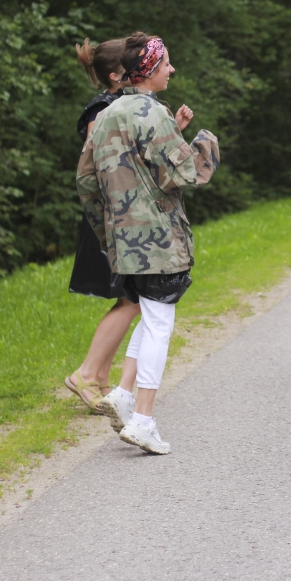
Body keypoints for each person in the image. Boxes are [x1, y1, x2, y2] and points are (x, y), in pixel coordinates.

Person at [77, 32, 220, 454]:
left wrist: (107, 234)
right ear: (150, 69)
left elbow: (85, 181)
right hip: (159, 241)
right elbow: (187, 174)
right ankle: (143, 419)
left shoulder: (105, 115)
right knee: (160, 323)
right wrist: (207, 143)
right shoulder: (153, 114)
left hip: (123, 244)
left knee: (150, 316)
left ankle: (121, 395)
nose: (172, 69)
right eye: (166, 63)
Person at [64, 38, 143, 416]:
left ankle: (98, 377)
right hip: (111, 217)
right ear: (116, 75)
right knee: (133, 298)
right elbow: (102, 162)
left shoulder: (120, 103)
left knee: (130, 297)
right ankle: (85, 374)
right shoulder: (101, 109)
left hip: (125, 214)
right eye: (131, 66)